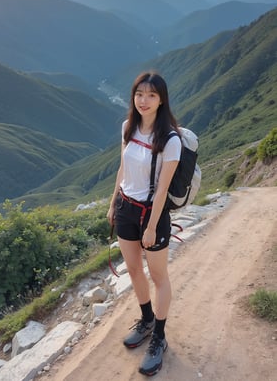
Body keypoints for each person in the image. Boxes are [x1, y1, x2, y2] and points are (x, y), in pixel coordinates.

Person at [107, 71, 181, 376]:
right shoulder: (128, 127)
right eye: (139, 94)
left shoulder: (170, 139)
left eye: (151, 95)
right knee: (134, 270)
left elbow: (162, 189)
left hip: (152, 213)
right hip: (126, 208)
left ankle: (159, 338)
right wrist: (113, 203)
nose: (144, 101)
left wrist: (151, 227)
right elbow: (122, 168)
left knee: (158, 276)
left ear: (161, 99)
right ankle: (146, 319)